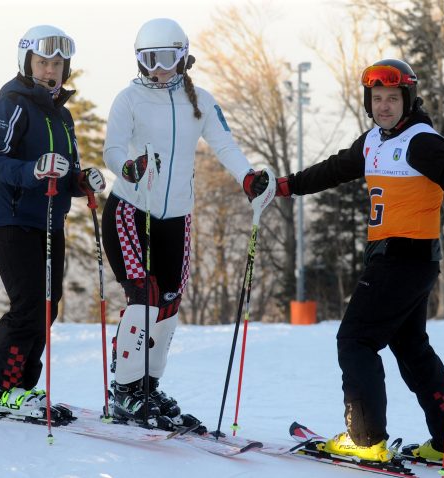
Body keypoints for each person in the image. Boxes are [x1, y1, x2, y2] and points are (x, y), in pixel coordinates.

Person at [271, 59, 444, 465]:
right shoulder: (373, 141)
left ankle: (366, 438)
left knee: (355, 340)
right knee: (413, 349)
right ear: (368, 102)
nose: (385, 106)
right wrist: (284, 186)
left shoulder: (421, 140)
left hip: (401, 259)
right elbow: (334, 169)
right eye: (377, 99)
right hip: (406, 261)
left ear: (408, 99)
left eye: (393, 98)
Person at [101, 17, 268, 427]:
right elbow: (112, 149)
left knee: (169, 303)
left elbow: (225, 144)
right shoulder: (129, 100)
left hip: (176, 217)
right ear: (139, 61)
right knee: (143, 296)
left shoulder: (201, 101)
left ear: (184, 57)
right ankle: (124, 392)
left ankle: (148, 389)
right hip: (129, 210)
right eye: (150, 60)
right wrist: (128, 167)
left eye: (169, 58)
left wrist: (247, 177)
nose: (160, 68)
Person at [0, 25, 106, 418]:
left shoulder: (63, 116)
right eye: (43, 62)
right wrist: (34, 169)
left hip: (50, 222)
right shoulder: (10, 103)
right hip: (11, 220)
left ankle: (21, 387)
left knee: (48, 308)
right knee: (29, 305)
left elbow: (67, 173)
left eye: (58, 64)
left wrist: (83, 181)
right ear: (26, 62)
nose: (51, 70)